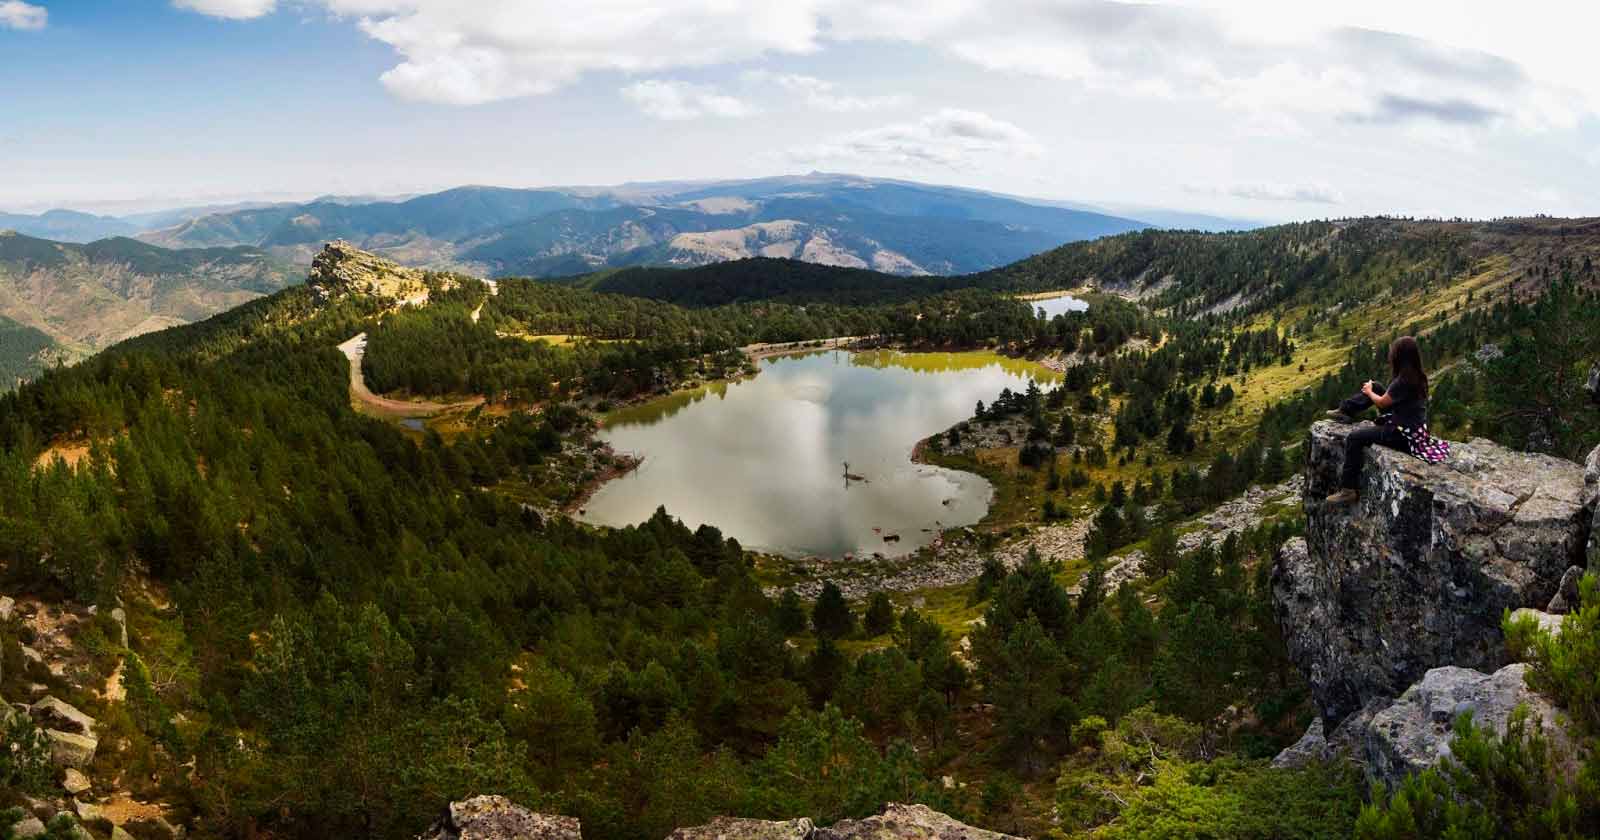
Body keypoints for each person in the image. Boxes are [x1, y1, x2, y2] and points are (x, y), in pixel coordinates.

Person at [1323, 336, 1450, 504]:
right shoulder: (1416, 375)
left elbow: (1382, 402)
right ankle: (1345, 411)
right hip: (1411, 427)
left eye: (1393, 352)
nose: (1390, 355)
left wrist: (1368, 392)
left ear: (1399, 356)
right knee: (1376, 386)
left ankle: (1348, 490)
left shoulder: (1403, 381)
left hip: (1401, 434)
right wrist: (1372, 389)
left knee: (1354, 438)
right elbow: (1390, 399)